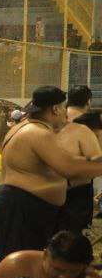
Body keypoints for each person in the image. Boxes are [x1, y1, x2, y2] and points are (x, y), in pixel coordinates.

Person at [0, 86, 102, 259]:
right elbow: (69, 167)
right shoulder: (37, 132)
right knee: (24, 263)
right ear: (55, 109)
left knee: (31, 262)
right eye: (64, 107)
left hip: (20, 204)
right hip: (21, 205)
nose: (67, 114)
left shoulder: (23, 127)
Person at [56, 85, 102, 235]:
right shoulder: (92, 122)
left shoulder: (58, 118)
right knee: (77, 232)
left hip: (53, 182)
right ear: (88, 101)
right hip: (79, 184)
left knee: (57, 229)